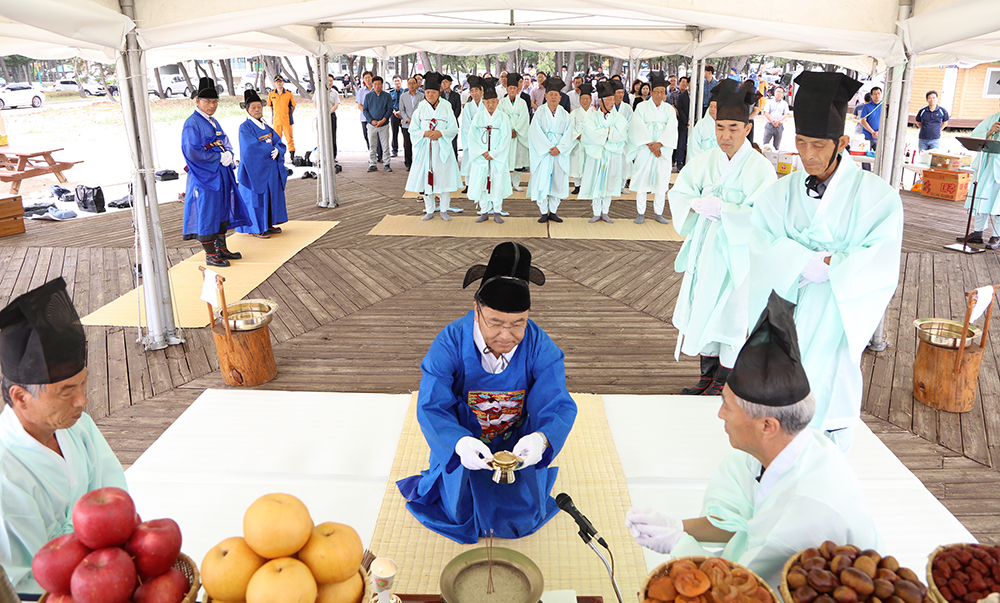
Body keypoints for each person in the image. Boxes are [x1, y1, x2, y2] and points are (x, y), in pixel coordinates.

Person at [626, 292, 881, 594]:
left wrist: (678, 545)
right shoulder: (781, 449)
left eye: (728, 407)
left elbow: (739, 589)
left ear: (767, 426)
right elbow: (742, 523)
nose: (719, 414)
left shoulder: (807, 509)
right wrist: (676, 526)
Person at [748, 71, 903, 453]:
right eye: (800, 142)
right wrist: (799, 261)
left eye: (819, 144)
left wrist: (835, 267)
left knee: (827, 394)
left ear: (842, 142)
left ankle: (825, 477)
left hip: (837, 312)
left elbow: (881, 255)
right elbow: (761, 238)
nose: (808, 155)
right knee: (777, 402)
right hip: (786, 308)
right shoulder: (780, 191)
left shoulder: (876, 196)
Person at [397, 242, 577, 544]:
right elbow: (431, 405)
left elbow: (557, 403)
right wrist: (458, 443)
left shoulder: (539, 345)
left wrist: (541, 439)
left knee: (521, 515)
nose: (506, 335)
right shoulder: (450, 341)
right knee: (459, 512)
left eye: (518, 323)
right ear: (477, 310)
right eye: (496, 323)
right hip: (464, 438)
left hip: (514, 441)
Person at [0, 278, 128, 594]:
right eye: (66, 391)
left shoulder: (77, 426)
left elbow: (114, 496)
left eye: (83, 384)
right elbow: (25, 574)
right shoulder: (5, 469)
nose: (82, 401)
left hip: (110, 569)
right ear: (20, 397)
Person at [669, 80, 776, 396]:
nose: (725, 136)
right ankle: (707, 374)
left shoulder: (760, 169)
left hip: (736, 254)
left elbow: (764, 216)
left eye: (733, 128)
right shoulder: (705, 160)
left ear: (747, 127)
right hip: (706, 249)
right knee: (703, 305)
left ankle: (725, 379)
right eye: (720, 128)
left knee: (730, 313)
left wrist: (727, 210)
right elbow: (682, 189)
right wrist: (692, 202)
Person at [181, 77, 248, 267]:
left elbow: (224, 140)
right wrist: (217, 158)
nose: (212, 105)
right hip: (205, 176)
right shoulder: (192, 123)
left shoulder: (212, 121)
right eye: (208, 102)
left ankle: (222, 247)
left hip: (221, 173)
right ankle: (211, 253)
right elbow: (191, 151)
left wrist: (229, 153)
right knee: (208, 211)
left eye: (215, 102)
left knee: (221, 208)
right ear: (198, 102)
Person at [405, 72, 462, 221]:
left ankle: (444, 209)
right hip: (425, 149)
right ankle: (429, 209)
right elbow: (413, 129)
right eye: (428, 92)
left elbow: (454, 128)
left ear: (439, 92)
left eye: (433, 92)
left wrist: (441, 133)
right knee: (426, 179)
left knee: (444, 179)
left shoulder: (446, 107)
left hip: (442, 149)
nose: (430, 95)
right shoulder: (421, 108)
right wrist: (424, 134)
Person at [627, 72, 678, 224]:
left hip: (662, 151)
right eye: (656, 91)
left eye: (662, 92)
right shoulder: (641, 107)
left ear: (665, 94)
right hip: (645, 149)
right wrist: (650, 144)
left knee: (661, 182)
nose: (659, 94)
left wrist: (660, 144)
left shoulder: (669, 109)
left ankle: (658, 213)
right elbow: (636, 127)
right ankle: (640, 213)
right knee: (643, 181)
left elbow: (672, 128)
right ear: (651, 92)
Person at [236, 89, 287, 239]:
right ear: (247, 110)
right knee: (256, 198)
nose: (257, 110)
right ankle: (256, 227)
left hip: (269, 168)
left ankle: (268, 223)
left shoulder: (266, 126)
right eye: (253, 107)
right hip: (254, 169)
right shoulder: (245, 127)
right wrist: (270, 149)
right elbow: (250, 147)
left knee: (270, 195)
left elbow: (278, 141)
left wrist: (278, 149)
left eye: (259, 107)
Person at [580, 81, 629, 223]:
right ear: (601, 102)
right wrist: (609, 133)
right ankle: (596, 211)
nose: (612, 103)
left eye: (612, 100)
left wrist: (603, 133)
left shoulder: (619, 117)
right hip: (597, 156)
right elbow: (589, 133)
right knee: (596, 182)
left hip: (612, 155)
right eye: (608, 100)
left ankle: (606, 211)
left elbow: (621, 135)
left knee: (610, 182)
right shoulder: (592, 116)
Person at [529, 78, 575, 224]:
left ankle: (553, 211)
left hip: (559, 153)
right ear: (546, 96)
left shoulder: (565, 115)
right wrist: (549, 147)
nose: (554, 97)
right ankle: (543, 211)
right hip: (544, 152)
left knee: (558, 181)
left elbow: (569, 134)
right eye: (551, 94)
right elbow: (534, 133)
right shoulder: (540, 112)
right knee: (542, 180)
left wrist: (560, 148)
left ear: (560, 97)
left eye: (556, 94)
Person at [467, 78, 513, 223]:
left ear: (497, 102)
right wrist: (482, 152)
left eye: (493, 101)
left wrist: (493, 153)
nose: (491, 104)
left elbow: (505, 139)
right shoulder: (478, 117)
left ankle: (497, 211)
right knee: (482, 183)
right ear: (484, 103)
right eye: (488, 102)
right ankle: (484, 211)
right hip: (481, 157)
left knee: (497, 183)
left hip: (496, 158)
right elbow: (472, 137)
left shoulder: (503, 117)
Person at [962, 98, 1000, 248]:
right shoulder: (994, 118)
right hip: (988, 164)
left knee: (998, 203)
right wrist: (990, 132)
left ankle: (996, 236)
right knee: (982, 197)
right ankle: (978, 232)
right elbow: (975, 134)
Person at [499, 73, 531, 192]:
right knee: (506, 160)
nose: (512, 90)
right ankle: (506, 183)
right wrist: (508, 130)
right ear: (507, 89)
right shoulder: (501, 103)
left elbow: (524, 119)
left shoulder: (522, 103)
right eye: (510, 88)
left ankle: (516, 183)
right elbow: (500, 118)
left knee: (518, 161)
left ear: (518, 90)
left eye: (514, 88)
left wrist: (516, 130)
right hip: (507, 136)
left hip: (518, 136)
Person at [569, 82, 595, 196]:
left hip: (590, 144)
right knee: (576, 163)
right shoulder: (574, 113)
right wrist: (578, 135)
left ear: (591, 100)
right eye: (583, 98)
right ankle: (577, 186)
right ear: (579, 100)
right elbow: (570, 128)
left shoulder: (595, 113)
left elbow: (598, 128)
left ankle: (588, 185)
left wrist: (589, 137)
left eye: (587, 99)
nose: (585, 101)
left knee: (589, 163)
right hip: (577, 143)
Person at [460, 76, 485, 194]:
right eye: (472, 91)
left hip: (484, 138)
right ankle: (468, 184)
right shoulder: (468, 107)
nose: (474, 93)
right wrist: (470, 139)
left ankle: (482, 184)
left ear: (481, 91)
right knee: (470, 161)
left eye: (476, 90)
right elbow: (465, 125)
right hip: (471, 138)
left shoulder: (486, 105)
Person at [364, 76, 394, 173]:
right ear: (372, 85)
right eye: (375, 84)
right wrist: (371, 120)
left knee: (385, 145)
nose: (377, 86)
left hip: (384, 125)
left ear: (382, 84)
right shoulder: (368, 96)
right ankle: (373, 164)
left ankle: (386, 164)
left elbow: (389, 109)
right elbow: (365, 110)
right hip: (371, 125)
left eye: (379, 84)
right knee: (372, 145)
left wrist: (383, 120)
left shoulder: (387, 96)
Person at [266, 75, 297, 161]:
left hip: (287, 120)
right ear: (275, 83)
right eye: (277, 82)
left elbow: (293, 106)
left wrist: (288, 114)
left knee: (289, 139)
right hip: (276, 121)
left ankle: (292, 156)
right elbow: (270, 106)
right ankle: (278, 156)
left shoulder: (288, 94)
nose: (279, 83)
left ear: (283, 82)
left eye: (280, 81)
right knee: (276, 139)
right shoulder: (271, 94)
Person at [399, 76, 424, 172]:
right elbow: (402, 109)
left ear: (417, 84)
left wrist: (416, 120)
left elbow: (423, 109)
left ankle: (419, 163)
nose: (412, 85)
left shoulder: (422, 96)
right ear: (407, 85)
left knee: (419, 145)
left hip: (419, 125)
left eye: (414, 83)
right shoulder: (403, 96)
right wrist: (407, 119)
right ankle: (408, 163)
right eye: (410, 83)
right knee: (407, 145)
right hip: (407, 124)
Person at [689, 88, 720, 160]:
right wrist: (703, 158)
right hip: (702, 159)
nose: (712, 109)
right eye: (711, 106)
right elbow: (693, 143)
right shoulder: (701, 123)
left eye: (715, 107)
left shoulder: (724, 125)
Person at [859, 86, 882, 171]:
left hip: (879, 136)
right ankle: (866, 172)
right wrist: (873, 132)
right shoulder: (866, 106)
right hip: (867, 135)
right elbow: (863, 121)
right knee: (865, 157)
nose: (877, 96)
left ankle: (878, 172)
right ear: (871, 96)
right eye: (875, 94)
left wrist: (878, 132)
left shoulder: (884, 106)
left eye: (879, 93)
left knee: (880, 156)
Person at [442, 74, 463, 157]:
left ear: (450, 83)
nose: (444, 84)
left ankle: (454, 159)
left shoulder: (456, 95)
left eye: (446, 82)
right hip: (442, 123)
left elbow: (458, 108)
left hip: (453, 122)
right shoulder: (439, 95)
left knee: (454, 143)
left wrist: (452, 118)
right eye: (442, 82)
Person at [321, 74, 340, 165]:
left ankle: (333, 155)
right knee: (322, 135)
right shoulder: (319, 91)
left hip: (331, 115)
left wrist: (329, 112)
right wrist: (322, 112)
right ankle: (323, 155)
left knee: (332, 135)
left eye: (331, 81)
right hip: (321, 115)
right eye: (328, 80)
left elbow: (336, 104)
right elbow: (316, 103)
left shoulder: (335, 92)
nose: (329, 82)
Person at [674, 76, 691, 170]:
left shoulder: (698, 95)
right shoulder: (682, 96)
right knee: (682, 143)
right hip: (683, 124)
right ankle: (679, 163)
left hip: (694, 123)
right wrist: (687, 121)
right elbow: (679, 110)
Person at [390, 75, 404, 158]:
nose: (397, 82)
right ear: (393, 82)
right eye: (395, 81)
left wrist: (401, 112)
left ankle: (407, 149)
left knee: (405, 133)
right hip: (394, 115)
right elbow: (389, 104)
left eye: (398, 80)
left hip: (403, 115)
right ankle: (394, 150)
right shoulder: (391, 92)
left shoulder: (405, 92)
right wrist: (395, 112)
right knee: (394, 133)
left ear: (401, 82)